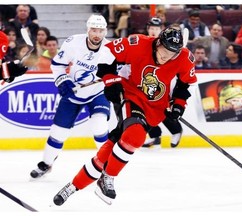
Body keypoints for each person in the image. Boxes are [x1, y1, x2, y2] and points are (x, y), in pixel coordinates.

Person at [52, 27, 197, 206]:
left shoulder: (184, 57)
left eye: (172, 54)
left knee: (108, 150)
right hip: (132, 96)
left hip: (156, 109)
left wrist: (178, 106)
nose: (167, 57)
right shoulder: (138, 43)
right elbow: (107, 52)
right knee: (135, 137)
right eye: (165, 52)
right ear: (158, 43)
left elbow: (184, 85)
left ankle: (72, 186)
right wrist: (111, 80)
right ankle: (108, 178)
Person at [29, 14, 112, 179]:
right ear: (88, 29)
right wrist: (62, 81)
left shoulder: (111, 49)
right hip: (74, 92)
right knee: (58, 132)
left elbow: (121, 72)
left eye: (100, 30)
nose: (97, 34)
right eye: (94, 30)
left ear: (105, 32)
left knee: (99, 125)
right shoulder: (73, 42)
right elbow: (58, 65)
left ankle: (107, 165)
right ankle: (46, 163)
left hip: (97, 92)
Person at [142, 20, 184, 148]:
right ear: (148, 29)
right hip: (147, 79)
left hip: (164, 81)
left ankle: (176, 130)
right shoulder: (144, 42)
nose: (154, 31)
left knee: (161, 108)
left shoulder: (169, 44)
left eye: (157, 28)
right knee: (145, 108)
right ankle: (155, 136)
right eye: (152, 28)